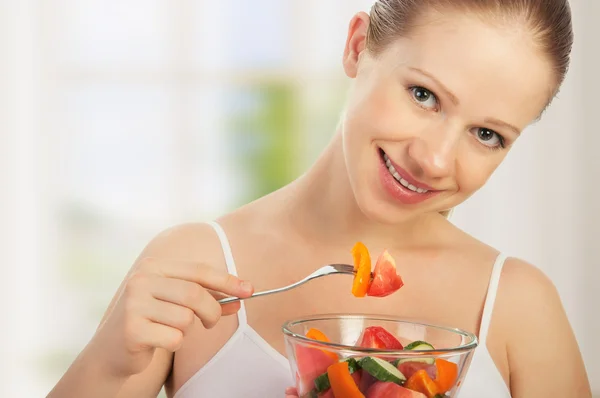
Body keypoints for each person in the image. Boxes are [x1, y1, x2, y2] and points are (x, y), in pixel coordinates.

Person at [49, 0, 592, 397]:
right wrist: (111, 366)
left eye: (487, 134)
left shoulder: (520, 307)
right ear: (358, 46)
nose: (435, 160)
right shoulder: (192, 268)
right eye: (423, 95)